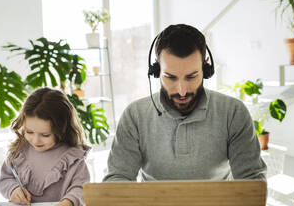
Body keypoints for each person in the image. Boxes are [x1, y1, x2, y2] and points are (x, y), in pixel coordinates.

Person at [103, 24, 267, 182]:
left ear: (206, 68)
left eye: (191, 76)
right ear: (156, 69)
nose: (182, 91)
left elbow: (251, 182)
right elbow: (117, 178)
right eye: (171, 77)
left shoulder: (233, 113)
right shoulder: (135, 115)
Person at [0, 87, 90, 206]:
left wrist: (68, 202)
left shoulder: (72, 157)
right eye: (29, 132)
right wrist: (13, 190)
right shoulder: (19, 152)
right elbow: (5, 179)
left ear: (62, 130)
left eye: (45, 135)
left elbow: (81, 188)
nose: (36, 140)